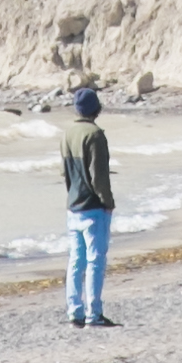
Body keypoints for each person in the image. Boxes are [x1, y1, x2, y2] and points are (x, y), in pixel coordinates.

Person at [58, 85, 118, 326]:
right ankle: (94, 312)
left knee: (75, 260)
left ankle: (75, 311)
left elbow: (66, 173)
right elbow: (99, 176)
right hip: (93, 207)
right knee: (95, 260)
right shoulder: (95, 135)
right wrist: (107, 202)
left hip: (73, 205)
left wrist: (73, 196)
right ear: (96, 109)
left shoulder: (67, 134)